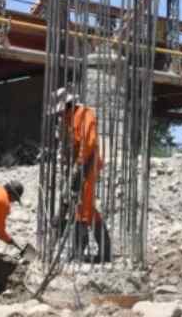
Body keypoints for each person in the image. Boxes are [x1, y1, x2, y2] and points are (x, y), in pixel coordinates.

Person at [56, 88, 111, 263]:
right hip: (78, 165)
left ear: (68, 106)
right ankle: (101, 249)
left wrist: (79, 166)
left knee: (83, 206)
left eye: (61, 111)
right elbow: (68, 145)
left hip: (88, 164)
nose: (60, 115)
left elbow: (89, 143)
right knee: (82, 207)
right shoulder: (68, 119)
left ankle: (80, 250)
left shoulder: (86, 114)